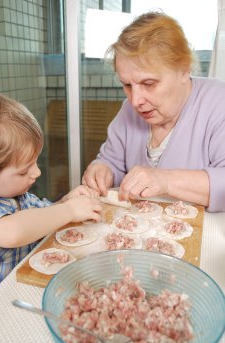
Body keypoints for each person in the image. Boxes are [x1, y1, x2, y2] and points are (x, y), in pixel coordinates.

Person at [0, 90, 101, 334]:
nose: (37, 173)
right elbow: (13, 231)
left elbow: (41, 219)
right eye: (23, 171)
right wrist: (70, 210)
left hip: (14, 305)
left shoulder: (16, 196)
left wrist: (65, 202)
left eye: (35, 162)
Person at [82, 11, 225, 212]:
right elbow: (111, 162)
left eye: (148, 83)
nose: (135, 101)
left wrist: (166, 180)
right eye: (127, 85)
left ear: (184, 70)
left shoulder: (219, 102)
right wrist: (101, 170)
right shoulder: (128, 111)